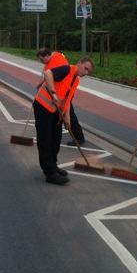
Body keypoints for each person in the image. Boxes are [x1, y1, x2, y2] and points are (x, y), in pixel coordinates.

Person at [33, 56, 95, 185]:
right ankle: (49, 173)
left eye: (88, 71)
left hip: (56, 112)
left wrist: (67, 118)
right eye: (85, 69)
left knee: (56, 139)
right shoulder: (66, 69)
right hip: (43, 107)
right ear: (79, 63)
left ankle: (53, 165)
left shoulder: (75, 80)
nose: (86, 73)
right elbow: (48, 73)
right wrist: (53, 93)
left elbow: (68, 99)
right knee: (45, 139)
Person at [36, 47, 86, 146]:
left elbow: (50, 75)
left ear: (47, 56)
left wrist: (45, 86)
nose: (42, 62)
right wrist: (40, 83)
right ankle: (78, 136)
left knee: (69, 114)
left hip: (64, 92)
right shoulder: (55, 55)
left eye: (42, 59)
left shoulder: (55, 63)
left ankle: (79, 137)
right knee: (68, 114)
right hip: (63, 91)